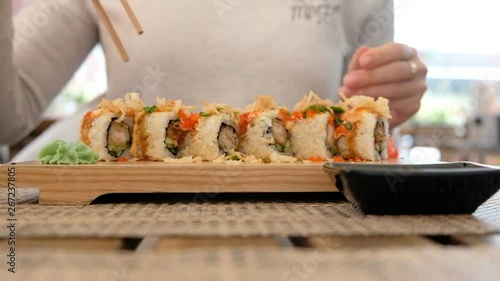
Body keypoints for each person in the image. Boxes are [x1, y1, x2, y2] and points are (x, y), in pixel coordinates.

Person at [0, 0, 427, 145]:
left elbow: (368, 116)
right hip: (120, 213)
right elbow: (8, 118)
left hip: (317, 220)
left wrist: (384, 94)